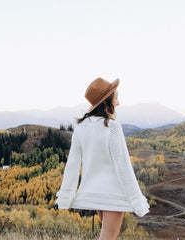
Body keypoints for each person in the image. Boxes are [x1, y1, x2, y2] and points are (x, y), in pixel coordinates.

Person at [55, 77, 149, 240]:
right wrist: (137, 200)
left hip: (93, 191)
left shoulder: (81, 127)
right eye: (116, 98)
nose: (118, 103)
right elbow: (123, 166)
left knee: (106, 235)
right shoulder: (112, 127)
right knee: (108, 236)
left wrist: (66, 195)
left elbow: (72, 165)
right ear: (106, 102)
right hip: (113, 192)